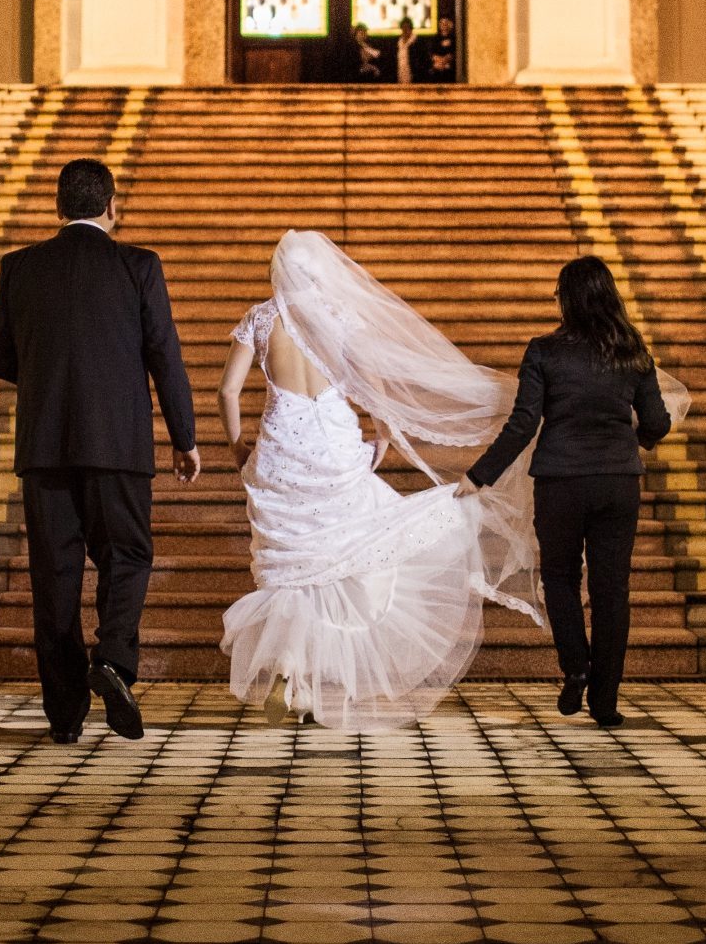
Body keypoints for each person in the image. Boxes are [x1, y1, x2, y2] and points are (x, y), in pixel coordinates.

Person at [217, 231, 548, 731]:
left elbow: (227, 391)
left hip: (282, 451)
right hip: (334, 450)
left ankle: (290, 670)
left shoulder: (261, 318)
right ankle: (308, 681)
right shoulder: (337, 319)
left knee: (290, 565)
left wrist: (237, 445)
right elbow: (373, 389)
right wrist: (382, 440)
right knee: (340, 562)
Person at [0, 159, 200, 743]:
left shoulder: (20, 266)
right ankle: (112, 660)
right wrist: (184, 438)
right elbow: (164, 356)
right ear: (111, 206)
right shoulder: (139, 266)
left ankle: (64, 716)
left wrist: (48, 376)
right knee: (126, 555)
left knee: (54, 576)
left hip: (44, 446)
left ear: (58, 208)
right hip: (119, 444)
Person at [461, 257, 680, 727]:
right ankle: (605, 701)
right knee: (611, 589)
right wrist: (634, 439)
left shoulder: (544, 351)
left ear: (569, 299)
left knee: (559, 578)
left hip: (560, 482)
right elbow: (657, 422)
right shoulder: (632, 351)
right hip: (618, 482)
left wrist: (479, 475)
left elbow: (523, 424)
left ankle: (576, 666)